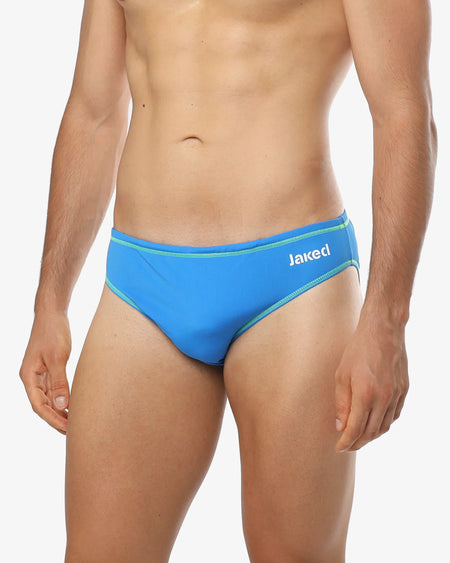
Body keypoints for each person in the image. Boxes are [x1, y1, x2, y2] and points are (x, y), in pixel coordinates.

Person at [19, 0, 437, 561]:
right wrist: (50, 302)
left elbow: (404, 113)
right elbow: (92, 113)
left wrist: (386, 322)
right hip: (142, 283)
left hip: (293, 280)